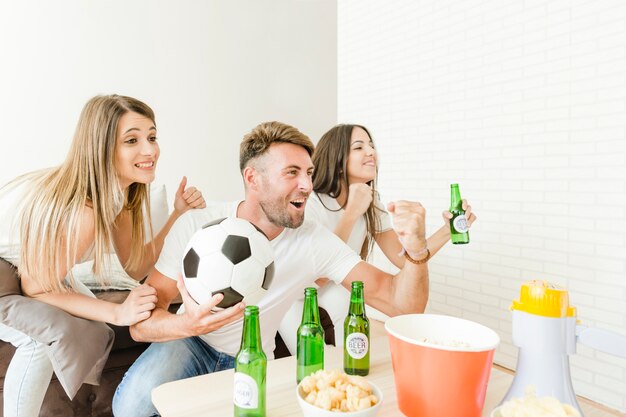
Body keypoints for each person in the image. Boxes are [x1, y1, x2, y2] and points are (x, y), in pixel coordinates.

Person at [112, 120, 431, 417]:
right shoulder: (196, 225)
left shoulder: (314, 241)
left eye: (309, 172)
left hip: (251, 358)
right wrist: (190, 325)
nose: (307, 184)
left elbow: (402, 304)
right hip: (187, 342)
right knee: (128, 408)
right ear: (253, 178)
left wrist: (417, 251)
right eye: (292, 172)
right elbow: (141, 325)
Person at [0, 94, 206, 417]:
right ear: (103, 148)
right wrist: (117, 314)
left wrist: (177, 215)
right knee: (40, 340)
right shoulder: (85, 212)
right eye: (132, 140)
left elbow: (135, 265)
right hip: (6, 274)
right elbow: (35, 287)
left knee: (89, 321)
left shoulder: (117, 196)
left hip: (27, 269)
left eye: (152, 137)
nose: (149, 150)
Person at [278, 124, 477, 353]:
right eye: (359, 147)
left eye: (371, 146)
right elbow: (316, 276)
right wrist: (352, 212)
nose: (371, 152)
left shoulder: (372, 201)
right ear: (338, 158)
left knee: (351, 310)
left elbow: (405, 260)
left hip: (337, 285)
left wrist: (448, 230)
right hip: (296, 294)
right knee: (312, 357)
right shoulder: (311, 203)